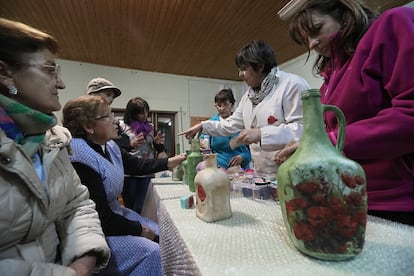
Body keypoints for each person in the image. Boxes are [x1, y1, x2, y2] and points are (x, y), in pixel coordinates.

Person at [276, 0, 414, 225]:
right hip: (349, 195)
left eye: (316, 30)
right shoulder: (330, 79)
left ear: (344, 13)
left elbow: (410, 113)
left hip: (394, 200)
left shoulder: (392, 25)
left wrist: (328, 142)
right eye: (305, 40)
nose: (311, 44)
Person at [0, 17, 110, 275]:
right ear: (5, 73)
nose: (60, 83)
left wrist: (84, 258)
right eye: (49, 70)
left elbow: (77, 204)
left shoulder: (53, 139)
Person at [62, 95, 186, 275]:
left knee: (162, 233)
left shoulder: (109, 145)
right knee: (153, 251)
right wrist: (138, 229)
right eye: (107, 116)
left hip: (113, 214)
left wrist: (170, 162)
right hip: (97, 231)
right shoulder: (79, 156)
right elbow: (100, 217)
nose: (116, 122)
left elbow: (136, 165)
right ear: (88, 126)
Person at [179, 40, 310, 178]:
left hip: (293, 172)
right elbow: (229, 125)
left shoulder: (292, 85)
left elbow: (305, 131)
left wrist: (261, 134)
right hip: (261, 173)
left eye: (243, 69)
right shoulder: (248, 97)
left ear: (260, 66)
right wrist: (202, 126)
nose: (239, 74)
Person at [119, 96, 167, 213]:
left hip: (147, 171)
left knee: (144, 206)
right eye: (141, 112)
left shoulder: (150, 127)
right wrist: (131, 144)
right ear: (132, 113)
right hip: (129, 173)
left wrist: (158, 144)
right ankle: (133, 229)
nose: (145, 115)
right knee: (131, 208)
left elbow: (159, 148)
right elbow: (117, 150)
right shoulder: (122, 127)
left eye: (146, 111)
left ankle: (145, 229)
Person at [202, 88, 252, 169]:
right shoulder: (210, 125)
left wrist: (242, 157)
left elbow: (252, 149)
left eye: (225, 104)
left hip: (240, 170)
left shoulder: (241, 122)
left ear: (231, 105)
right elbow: (204, 150)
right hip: (219, 169)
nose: (221, 108)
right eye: (218, 105)